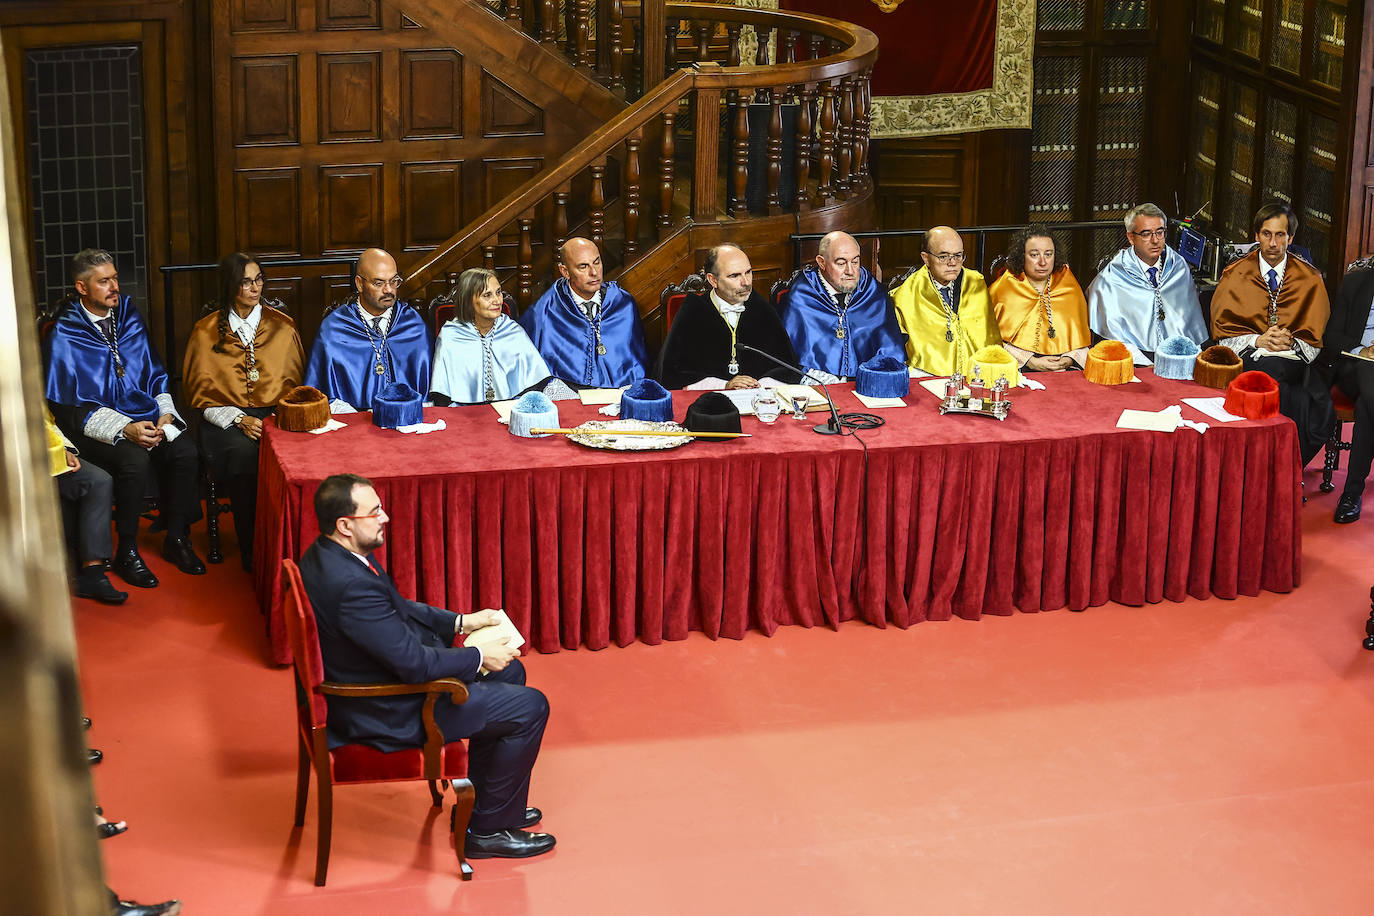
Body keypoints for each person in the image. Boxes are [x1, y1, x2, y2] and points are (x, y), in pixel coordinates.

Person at [298, 473, 555, 859]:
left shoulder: (327, 554)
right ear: (345, 525)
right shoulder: (351, 586)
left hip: (375, 679)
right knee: (530, 707)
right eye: (375, 512)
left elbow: (397, 608)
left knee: (510, 673)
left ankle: (485, 809)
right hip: (385, 709)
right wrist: (479, 657)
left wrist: (460, 623)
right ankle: (486, 833)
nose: (385, 517)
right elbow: (414, 665)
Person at [45, 249, 204, 588]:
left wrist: (164, 413)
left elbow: (154, 372)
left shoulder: (128, 315)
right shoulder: (65, 332)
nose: (114, 286)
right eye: (104, 281)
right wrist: (124, 428)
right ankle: (127, 551)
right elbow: (67, 407)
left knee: (185, 452)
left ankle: (176, 537)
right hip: (92, 427)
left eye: (115, 278)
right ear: (82, 287)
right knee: (134, 460)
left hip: (143, 414)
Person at [182, 253, 304, 570]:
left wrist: (274, 420)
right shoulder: (206, 331)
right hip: (225, 421)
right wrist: (239, 418)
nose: (254, 288)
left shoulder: (283, 327)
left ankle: (292, 543)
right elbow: (202, 399)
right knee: (245, 454)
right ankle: (253, 549)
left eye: (258, 280)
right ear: (230, 285)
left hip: (274, 415)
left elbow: (295, 388)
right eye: (245, 281)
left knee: (293, 453)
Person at [1211, 202, 1334, 466]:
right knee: (1286, 388)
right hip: (1249, 356)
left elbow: (1314, 339)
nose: (1273, 243)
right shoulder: (1235, 274)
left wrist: (1290, 342)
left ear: (1291, 238)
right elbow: (1223, 335)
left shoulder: (1310, 278)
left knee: (1288, 383)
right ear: (1256, 235)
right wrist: (1258, 340)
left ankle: (1267, 463)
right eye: (1266, 234)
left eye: (1280, 235)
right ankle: (1282, 465)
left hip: (1295, 360)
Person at [653, 244, 801, 389]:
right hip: (709, 401)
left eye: (748, 272)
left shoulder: (762, 309)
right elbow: (672, 375)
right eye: (734, 276)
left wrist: (759, 385)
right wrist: (724, 385)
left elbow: (787, 367)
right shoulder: (693, 312)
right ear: (713, 280)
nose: (746, 282)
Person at [304, 247, 430, 412]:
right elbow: (319, 394)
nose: (389, 290)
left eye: (394, 281)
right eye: (379, 283)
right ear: (359, 283)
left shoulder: (412, 323)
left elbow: (427, 389)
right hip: (351, 423)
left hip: (407, 419)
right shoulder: (335, 328)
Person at [517, 237, 649, 387]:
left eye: (597, 262)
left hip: (621, 394)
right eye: (583, 266)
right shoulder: (544, 312)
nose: (594, 272)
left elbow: (638, 364)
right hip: (568, 396)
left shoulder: (623, 304)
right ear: (565, 271)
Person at [1087, 202, 1208, 364]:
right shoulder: (1112, 276)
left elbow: (1189, 322)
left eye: (1160, 232)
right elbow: (1109, 334)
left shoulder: (1178, 266)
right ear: (1131, 237)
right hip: (1132, 358)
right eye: (1146, 234)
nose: (1155, 240)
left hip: (1179, 356)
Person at [777, 230, 905, 381]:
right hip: (819, 385)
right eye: (841, 263)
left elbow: (889, 348)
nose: (850, 271)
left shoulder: (872, 292)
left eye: (855, 262)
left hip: (870, 383)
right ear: (821, 262)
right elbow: (793, 358)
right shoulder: (802, 296)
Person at [430, 268, 554, 404]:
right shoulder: (451, 335)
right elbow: (442, 395)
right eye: (487, 295)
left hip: (510, 408)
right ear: (468, 300)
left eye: (498, 292)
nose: (497, 300)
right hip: (463, 411)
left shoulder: (512, 330)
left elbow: (535, 382)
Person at [890, 226, 1001, 376]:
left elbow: (989, 337)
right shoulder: (905, 295)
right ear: (926, 258)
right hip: (927, 374)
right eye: (943, 256)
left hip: (976, 374)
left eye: (958, 255)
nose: (953, 263)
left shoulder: (975, 283)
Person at [45, 406, 126, 604]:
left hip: (46, 454)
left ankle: (93, 572)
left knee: (98, 481)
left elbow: (46, 423)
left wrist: (65, 449)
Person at [989, 225, 1092, 371]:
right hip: (1018, 370)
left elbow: (1081, 338)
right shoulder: (1002, 289)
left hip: (1065, 370)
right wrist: (1030, 361)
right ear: (1022, 256)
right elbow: (990, 340)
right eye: (1034, 255)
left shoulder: (1069, 286)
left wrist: (1069, 359)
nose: (1043, 262)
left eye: (1048, 254)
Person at [1318, 262, 1374, 522]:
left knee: (1366, 406)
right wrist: (1363, 351)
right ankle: (1351, 494)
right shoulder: (1356, 283)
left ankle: (1351, 494)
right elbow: (1332, 336)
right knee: (1369, 375)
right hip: (1356, 365)